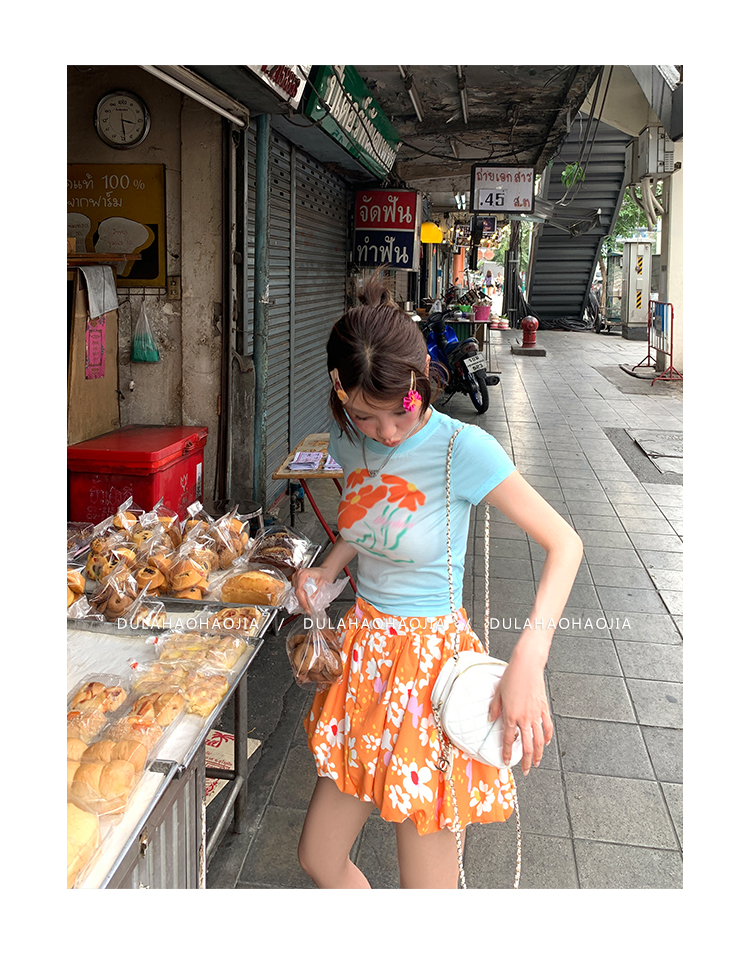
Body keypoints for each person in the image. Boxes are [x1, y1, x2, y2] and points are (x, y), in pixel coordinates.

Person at [293, 271, 583, 889]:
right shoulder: (348, 443)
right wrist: (328, 569)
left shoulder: (460, 449)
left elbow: (566, 544)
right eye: (366, 417)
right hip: (365, 661)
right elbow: (371, 519)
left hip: (430, 676)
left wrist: (529, 658)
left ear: (421, 378)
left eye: (401, 410)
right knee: (319, 857)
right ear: (340, 394)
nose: (387, 432)